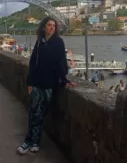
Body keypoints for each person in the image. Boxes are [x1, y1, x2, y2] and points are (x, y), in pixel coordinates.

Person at [17, 16, 76, 155]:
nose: (52, 28)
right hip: (37, 83)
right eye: (49, 25)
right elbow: (33, 63)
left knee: (41, 114)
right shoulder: (39, 42)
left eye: (54, 26)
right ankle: (28, 141)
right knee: (33, 113)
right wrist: (30, 81)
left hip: (50, 84)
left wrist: (65, 79)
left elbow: (61, 62)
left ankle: (35, 141)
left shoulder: (58, 42)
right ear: (44, 27)